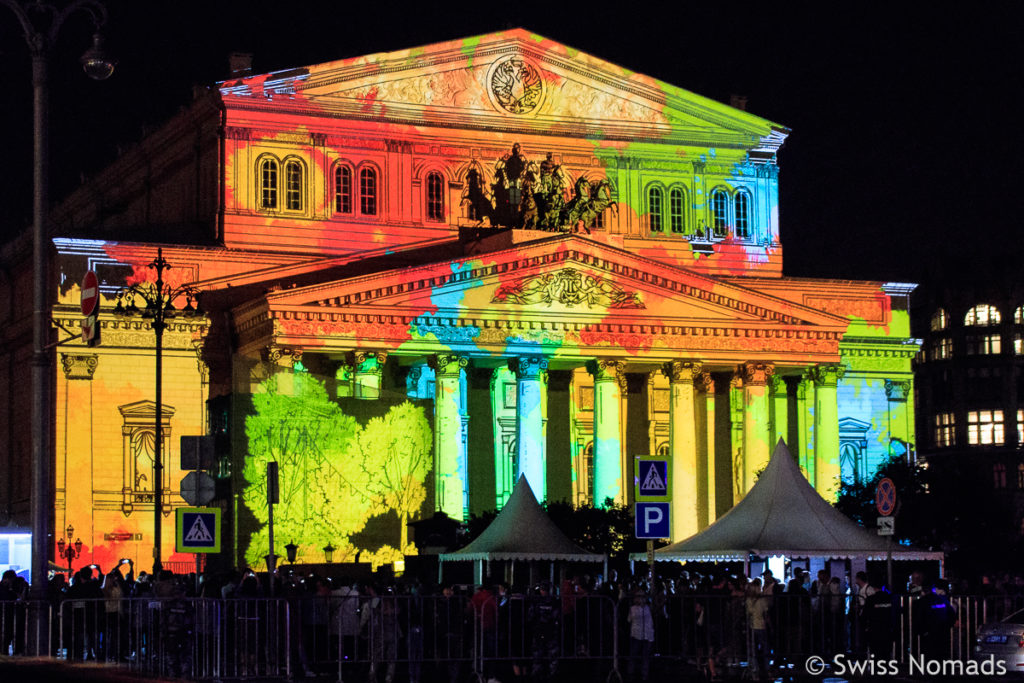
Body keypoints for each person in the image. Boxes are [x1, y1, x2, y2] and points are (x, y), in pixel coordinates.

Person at [627, 589, 655, 682]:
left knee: (646, 656)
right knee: (633, 654)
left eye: (642, 597)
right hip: (636, 634)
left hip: (647, 634)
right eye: (638, 596)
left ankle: (645, 674)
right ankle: (631, 673)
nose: (640, 599)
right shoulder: (633, 608)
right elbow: (630, 619)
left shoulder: (648, 608)